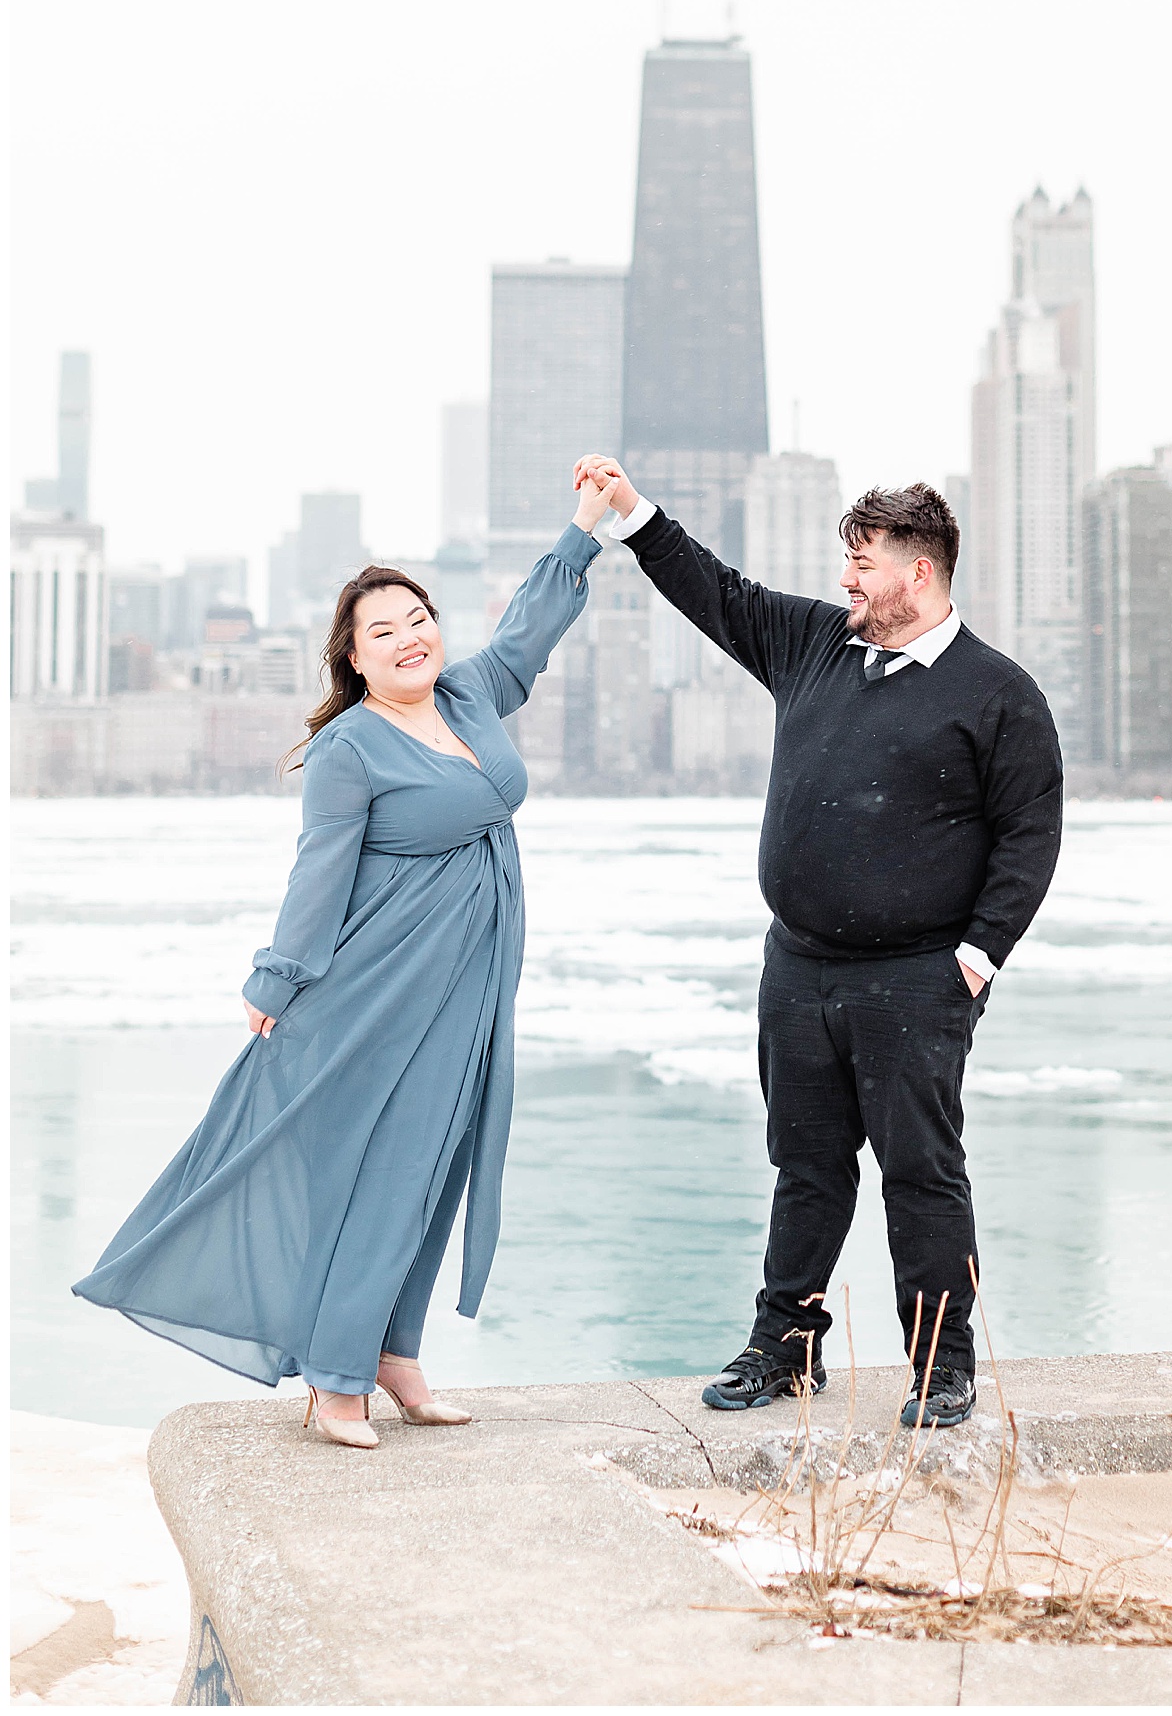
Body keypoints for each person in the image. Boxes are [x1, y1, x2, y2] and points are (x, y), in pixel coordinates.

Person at [73, 471, 618, 1449]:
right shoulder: (349, 748)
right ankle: (334, 1376)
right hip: (375, 990)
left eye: (419, 617)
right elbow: (317, 874)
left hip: (467, 982)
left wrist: (585, 525)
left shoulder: (469, 692)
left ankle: (391, 1351)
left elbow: (531, 627)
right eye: (385, 630)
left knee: (436, 1162)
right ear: (354, 657)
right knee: (384, 1168)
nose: (411, 636)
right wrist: (275, 982)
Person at [576, 457, 1063, 1428]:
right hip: (797, 967)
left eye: (863, 561)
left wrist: (973, 959)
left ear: (917, 573)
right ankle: (785, 1343)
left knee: (920, 1170)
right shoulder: (812, 643)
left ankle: (940, 1363)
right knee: (804, 1163)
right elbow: (716, 591)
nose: (846, 579)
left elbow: (1029, 836)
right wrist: (631, 514)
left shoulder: (996, 694)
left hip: (915, 979)